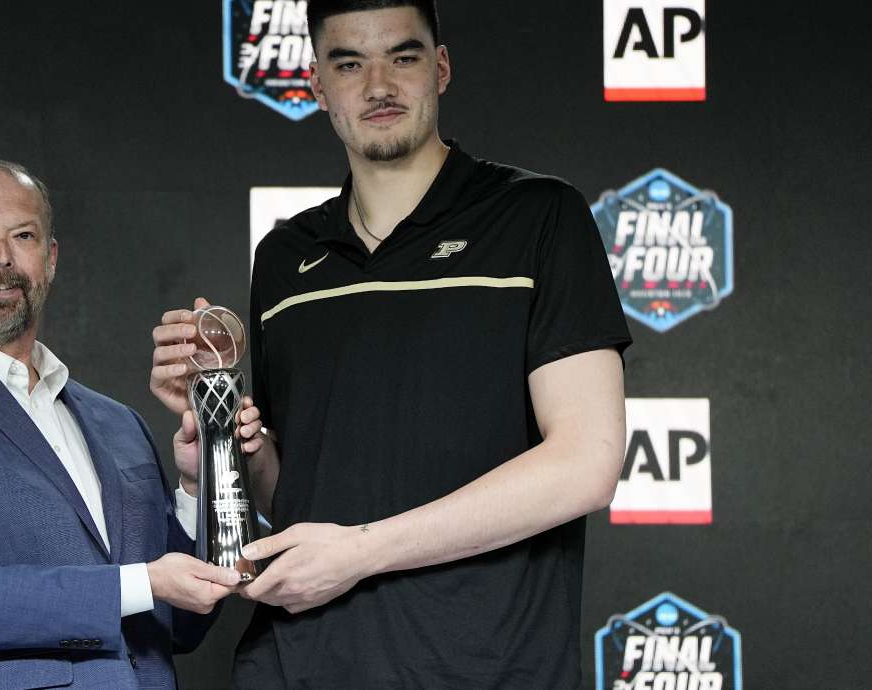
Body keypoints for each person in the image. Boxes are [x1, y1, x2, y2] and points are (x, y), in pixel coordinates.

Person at [150, 1, 633, 687]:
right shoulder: (286, 256)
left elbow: (586, 463)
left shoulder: (538, 217)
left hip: (480, 668)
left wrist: (362, 552)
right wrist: (229, 437)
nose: (378, 85)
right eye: (349, 63)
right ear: (316, 85)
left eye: (402, 57)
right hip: (298, 665)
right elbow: (297, 494)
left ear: (440, 68)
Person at [0, 158, 244, 690]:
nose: (1, 258)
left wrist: (196, 484)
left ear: (50, 259)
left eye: (23, 236)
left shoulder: (116, 422)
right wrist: (142, 581)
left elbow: (179, 625)